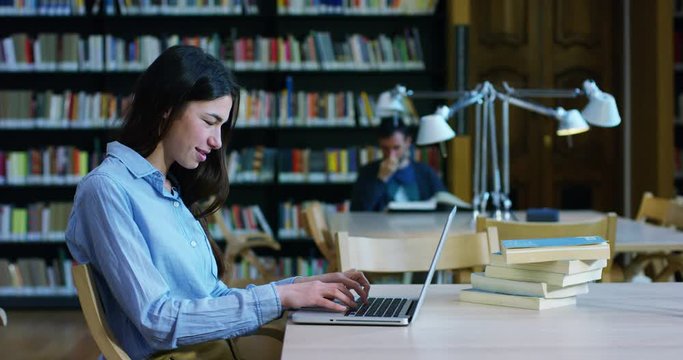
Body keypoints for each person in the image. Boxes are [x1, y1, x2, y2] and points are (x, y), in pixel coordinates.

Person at [65, 45, 370, 360]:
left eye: (222, 126)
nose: (217, 141)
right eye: (209, 121)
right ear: (167, 107)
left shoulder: (170, 189)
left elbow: (211, 298)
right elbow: (157, 320)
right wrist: (282, 296)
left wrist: (304, 287)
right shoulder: (107, 190)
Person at [351, 117, 445, 211]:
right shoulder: (367, 172)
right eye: (385, 148)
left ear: (408, 142)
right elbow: (358, 211)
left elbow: (445, 205)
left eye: (396, 148)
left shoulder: (426, 173)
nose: (391, 155)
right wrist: (380, 181)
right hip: (381, 225)